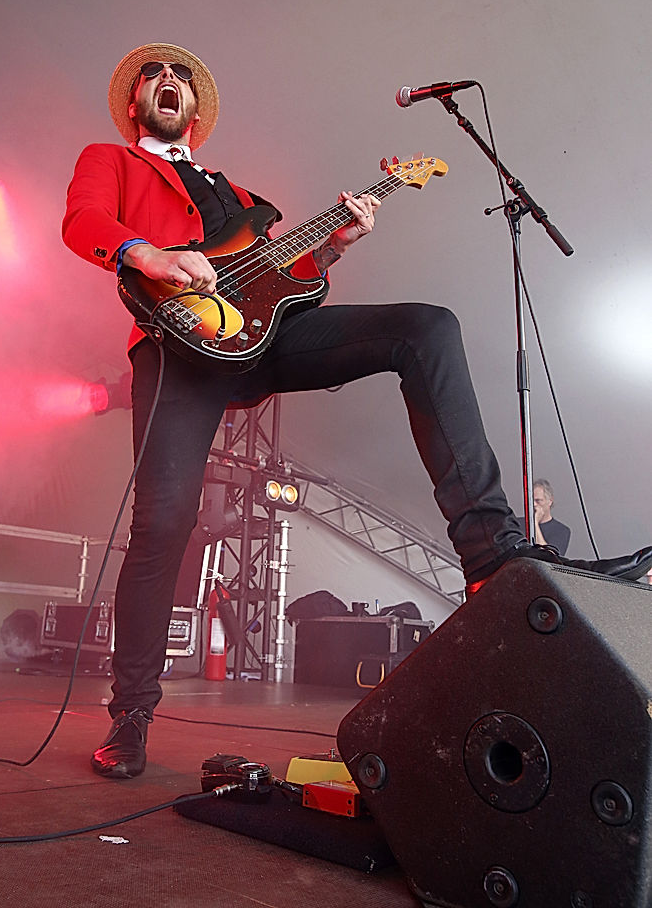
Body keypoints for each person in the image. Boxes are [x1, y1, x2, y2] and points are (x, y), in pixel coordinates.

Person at [62, 42, 652, 779]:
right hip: (177, 344)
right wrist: (147, 254)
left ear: (199, 112)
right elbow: (82, 220)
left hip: (261, 337)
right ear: (135, 103)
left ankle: (490, 552)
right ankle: (131, 717)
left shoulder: (239, 197)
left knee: (426, 326)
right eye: (156, 75)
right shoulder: (111, 160)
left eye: (181, 75)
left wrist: (332, 245)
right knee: (162, 524)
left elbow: (282, 280)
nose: (170, 81)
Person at [532, 478, 571, 554]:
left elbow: (549, 556)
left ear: (550, 501)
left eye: (538, 500)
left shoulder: (561, 530)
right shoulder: (519, 524)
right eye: (531, 500)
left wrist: (535, 523)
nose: (534, 504)